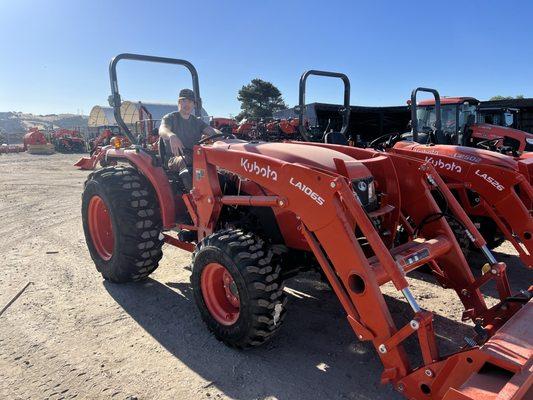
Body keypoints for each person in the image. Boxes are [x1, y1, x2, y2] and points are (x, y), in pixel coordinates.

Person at [159, 88, 221, 189]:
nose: (186, 104)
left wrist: (222, 136)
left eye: (190, 101)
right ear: (179, 103)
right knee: (186, 160)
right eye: (183, 101)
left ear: (194, 104)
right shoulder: (170, 118)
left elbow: (211, 131)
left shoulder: (197, 121)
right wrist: (171, 135)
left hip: (196, 156)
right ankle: (195, 195)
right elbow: (162, 129)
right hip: (175, 158)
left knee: (215, 160)